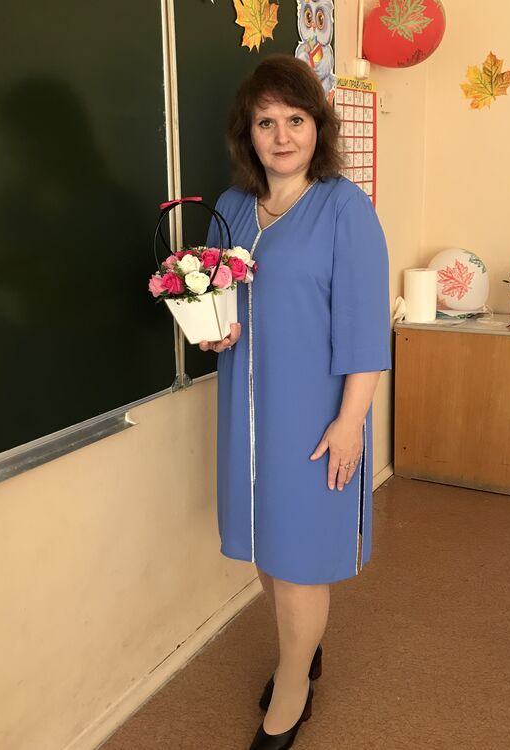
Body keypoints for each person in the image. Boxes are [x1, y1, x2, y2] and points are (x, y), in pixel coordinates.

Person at [199, 54, 391, 750]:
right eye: (266, 122)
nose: (282, 136)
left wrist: (350, 423)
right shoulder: (229, 210)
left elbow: (365, 330)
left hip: (314, 417)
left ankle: (293, 687)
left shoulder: (344, 208)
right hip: (246, 413)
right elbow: (219, 301)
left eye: (296, 120)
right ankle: (301, 652)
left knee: (300, 558)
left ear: (318, 127)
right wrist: (214, 330)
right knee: (263, 543)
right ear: (247, 133)